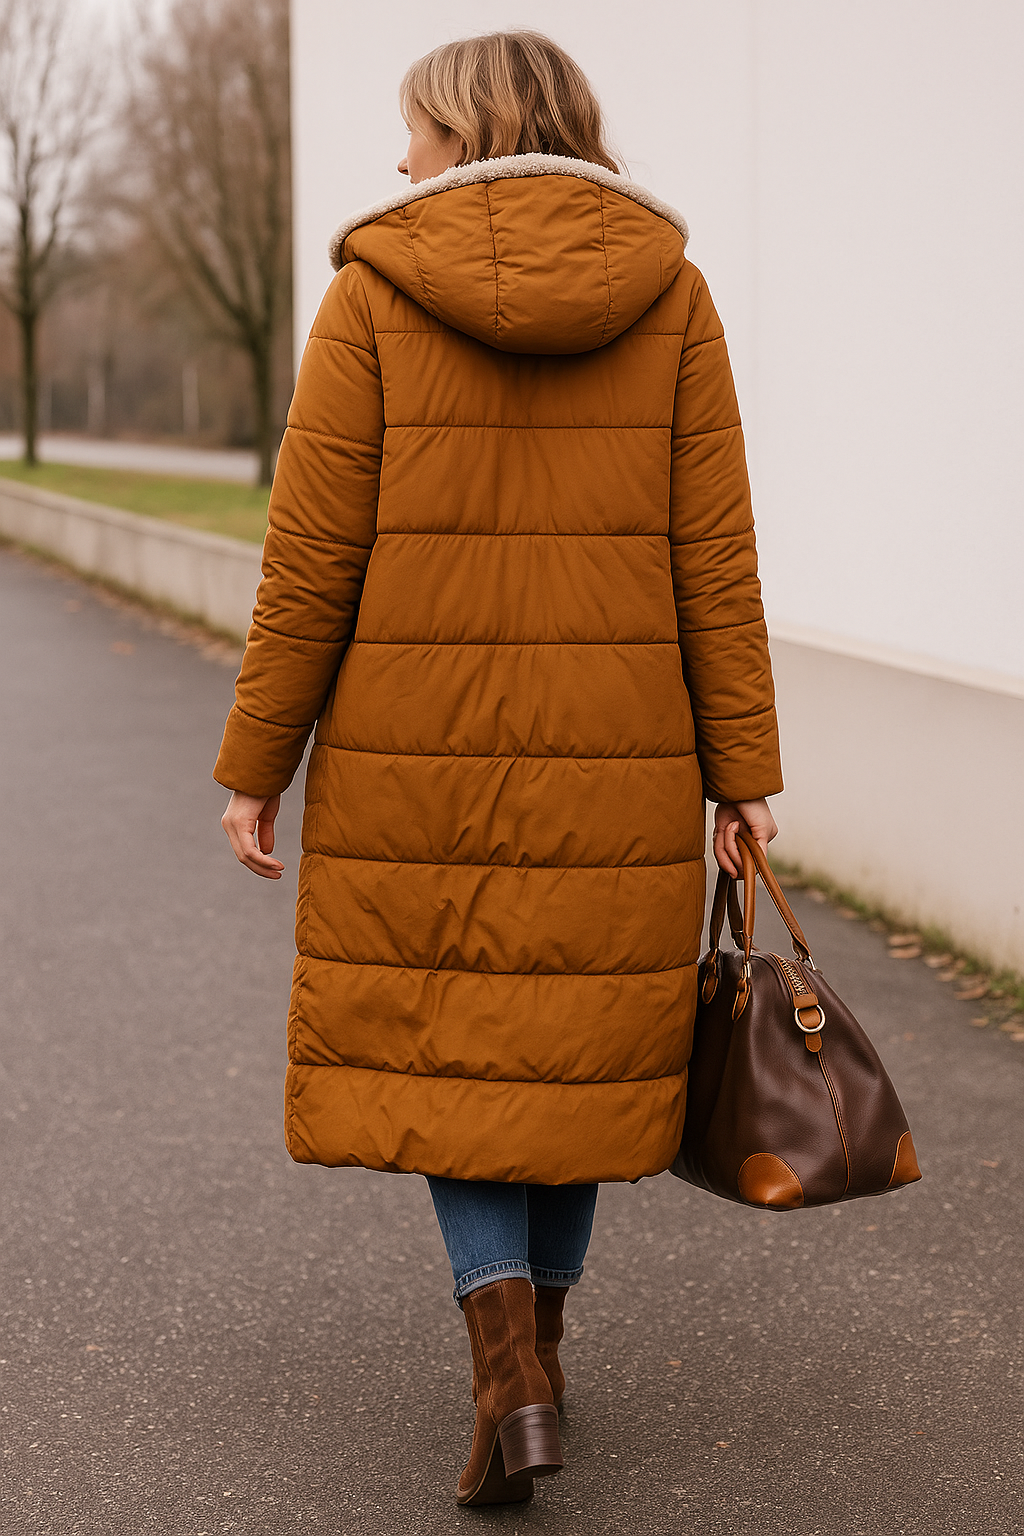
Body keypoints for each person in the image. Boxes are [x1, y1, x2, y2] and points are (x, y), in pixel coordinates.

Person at [215, 29, 781, 1508]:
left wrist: (255, 761)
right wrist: (742, 773)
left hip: (422, 768)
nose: (396, 158)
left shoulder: (370, 298)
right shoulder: (676, 296)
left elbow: (307, 568)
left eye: (410, 131)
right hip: (622, 763)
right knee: (569, 1056)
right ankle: (539, 1367)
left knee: (459, 1055)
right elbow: (714, 559)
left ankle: (505, 1369)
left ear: (461, 133)